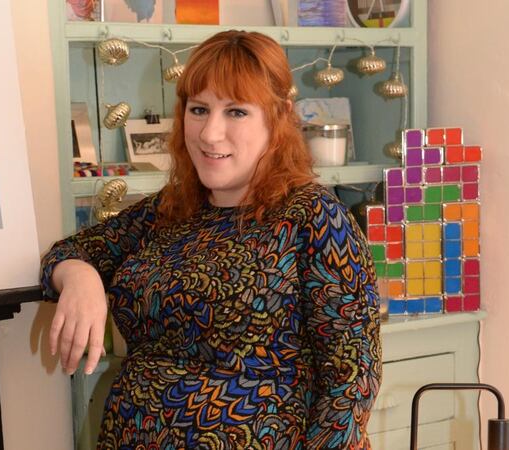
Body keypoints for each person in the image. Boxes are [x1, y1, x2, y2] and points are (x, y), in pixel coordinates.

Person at [41, 30, 381, 449]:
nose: (209, 133)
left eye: (236, 112)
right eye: (199, 109)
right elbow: (70, 251)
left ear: (278, 117)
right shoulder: (170, 209)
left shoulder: (313, 215)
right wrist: (80, 278)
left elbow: (352, 379)